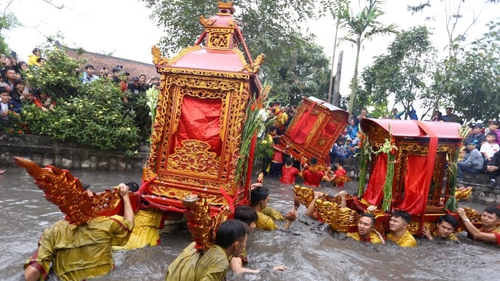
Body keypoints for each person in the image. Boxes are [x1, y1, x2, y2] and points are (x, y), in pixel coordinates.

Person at [24, 183, 135, 281]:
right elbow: (129, 226)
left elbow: (33, 272)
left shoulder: (52, 232)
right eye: (92, 198)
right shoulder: (106, 224)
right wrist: (125, 197)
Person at [165, 219, 249, 281]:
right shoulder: (222, 263)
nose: (245, 245)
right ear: (236, 245)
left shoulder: (196, 244)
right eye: (245, 242)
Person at [230, 205, 287, 274]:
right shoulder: (237, 244)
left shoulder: (235, 236)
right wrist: (269, 270)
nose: (255, 226)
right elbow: (237, 270)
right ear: (245, 225)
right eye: (253, 223)